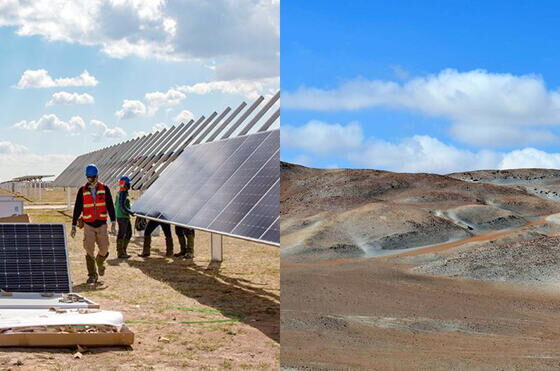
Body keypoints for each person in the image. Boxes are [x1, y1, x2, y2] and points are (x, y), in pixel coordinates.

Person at [70, 164, 117, 284]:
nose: (90, 180)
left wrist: (113, 222)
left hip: (101, 224)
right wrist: (73, 225)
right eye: (88, 178)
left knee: (104, 248)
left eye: (92, 177)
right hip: (88, 225)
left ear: (97, 176)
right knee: (88, 249)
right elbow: (77, 207)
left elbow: (110, 206)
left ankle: (100, 261)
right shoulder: (82, 190)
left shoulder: (104, 188)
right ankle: (92, 275)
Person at [115, 176, 134, 259]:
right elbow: (122, 206)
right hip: (122, 216)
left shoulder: (123, 192)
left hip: (123, 216)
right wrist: (130, 212)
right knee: (122, 234)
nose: (130, 185)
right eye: (129, 184)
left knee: (128, 233)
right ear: (125, 184)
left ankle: (123, 250)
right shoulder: (122, 193)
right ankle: (120, 252)